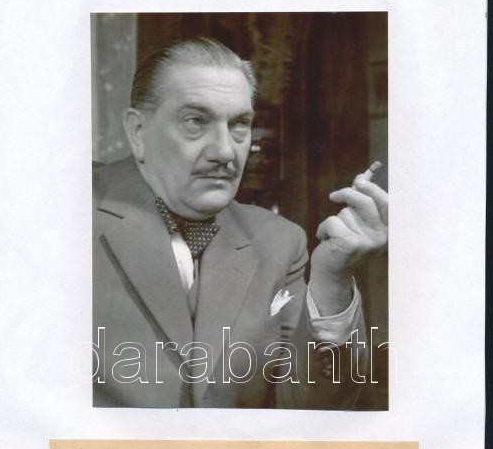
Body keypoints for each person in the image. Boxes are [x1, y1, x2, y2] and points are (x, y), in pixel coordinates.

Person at [92, 37, 388, 408]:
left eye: (239, 124)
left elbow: (308, 409)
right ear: (138, 132)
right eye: (195, 122)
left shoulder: (279, 242)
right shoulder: (60, 212)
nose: (224, 151)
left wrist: (332, 280)